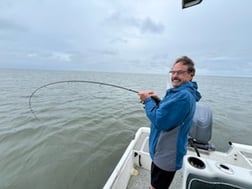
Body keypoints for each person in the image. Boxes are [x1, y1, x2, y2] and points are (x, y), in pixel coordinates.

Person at [138, 56, 201, 189]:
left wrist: (147, 100)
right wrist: (156, 100)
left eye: (180, 72)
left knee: (156, 186)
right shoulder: (181, 93)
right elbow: (170, 113)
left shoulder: (183, 96)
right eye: (173, 72)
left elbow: (160, 121)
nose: (175, 76)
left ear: (191, 75)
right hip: (164, 151)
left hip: (167, 155)